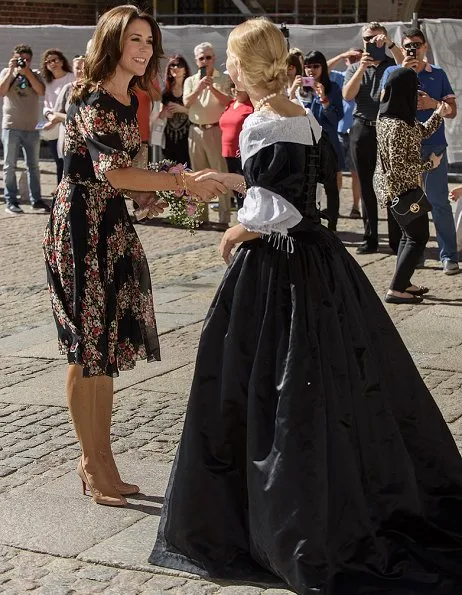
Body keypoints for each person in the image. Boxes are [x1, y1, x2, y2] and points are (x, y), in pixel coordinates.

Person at [149, 18, 462, 595]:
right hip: (319, 260)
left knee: (268, 382)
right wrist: (243, 192)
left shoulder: (265, 121)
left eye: (233, 61)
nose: (231, 70)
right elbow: (307, 191)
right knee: (334, 377)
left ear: (246, 64)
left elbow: (278, 207)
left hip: (279, 265)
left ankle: (275, 513)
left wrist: (235, 232)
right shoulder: (304, 117)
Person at [42, 4, 226, 508]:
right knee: (87, 347)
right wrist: (182, 181)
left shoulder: (132, 99)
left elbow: (127, 176)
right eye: (135, 41)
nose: (145, 51)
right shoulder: (94, 98)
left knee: (104, 352)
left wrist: (156, 195)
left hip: (110, 226)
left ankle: (104, 459)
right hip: (80, 231)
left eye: (149, 41)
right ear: (113, 44)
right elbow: (112, 173)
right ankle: (91, 460)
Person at [380, 28, 459, 276]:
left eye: (417, 44)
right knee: (408, 203)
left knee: (438, 202)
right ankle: (415, 254)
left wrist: (434, 104)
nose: (413, 48)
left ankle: (448, 256)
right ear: (402, 49)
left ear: (425, 47)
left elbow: (452, 110)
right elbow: (383, 106)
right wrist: (404, 73)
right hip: (405, 150)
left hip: (433, 145)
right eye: (408, 45)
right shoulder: (393, 73)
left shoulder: (438, 74)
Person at [374, 68, 449, 304]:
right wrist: (430, 164)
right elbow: (400, 169)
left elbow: (422, 131)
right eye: (414, 92)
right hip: (400, 190)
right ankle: (396, 289)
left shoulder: (389, 117)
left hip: (398, 188)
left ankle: (402, 282)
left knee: (410, 236)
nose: (418, 96)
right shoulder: (397, 126)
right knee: (418, 237)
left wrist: (438, 112)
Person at [343, 22, 403, 254]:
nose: (372, 42)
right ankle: (370, 239)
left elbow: (404, 67)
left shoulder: (391, 64)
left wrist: (389, 44)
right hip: (362, 128)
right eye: (368, 38)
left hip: (387, 128)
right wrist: (361, 67)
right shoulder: (356, 67)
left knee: (389, 184)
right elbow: (347, 95)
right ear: (362, 41)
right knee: (366, 184)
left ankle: (396, 241)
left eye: (376, 38)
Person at [183, 42, 232, 229]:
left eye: (208, 57)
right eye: (201, 58)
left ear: (214, 59)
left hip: (216, 130)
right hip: (195, 130)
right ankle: (201, 216)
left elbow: (229, 101)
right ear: (196, 61)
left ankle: (224, 217)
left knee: (219, 174)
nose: (205, 61)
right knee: (197, 176)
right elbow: (186, 103)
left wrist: (212, 88)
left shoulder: (223, 79)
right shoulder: (190, 81)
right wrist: (199, 88)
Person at [0, 44, 48, 215]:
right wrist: (12, 70)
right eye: (20, 58)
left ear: (31, 60)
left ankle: (36, 200)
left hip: (32, 128)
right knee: (9, 165)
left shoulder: (34, 74)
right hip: (11, 126)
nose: (23, 62)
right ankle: (11, 201)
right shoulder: (6, 72)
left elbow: (41, 91)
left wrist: (27, 72)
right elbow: (1, 91)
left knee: (33, 166)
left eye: (26, 59)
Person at [301, 50, 344, 231]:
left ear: (323, 67)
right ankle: (310, 221)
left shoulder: (332, 87)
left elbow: (336, 118)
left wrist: (324, 99)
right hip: (305, 142)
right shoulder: (301, 89)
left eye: (316, 66)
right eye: (308, 66)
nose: (311, 70)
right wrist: (293, 91)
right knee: (307, 185)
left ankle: (332, 224)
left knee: (331, 186)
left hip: (327, 143)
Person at [328, 48, 363, 219]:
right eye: (351, 58)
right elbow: (322, 70)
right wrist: (342, 55)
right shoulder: (341, 77)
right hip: (341, 130)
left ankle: (356, 207)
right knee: (336, 171)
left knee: (357, 172)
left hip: (359, 130)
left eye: (358, 57)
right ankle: (334, 206)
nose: (353, 60)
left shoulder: (366, 75)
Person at [40, 48, 75, 185]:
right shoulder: (49, 82)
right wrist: (50, 117)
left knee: (69, 163)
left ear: (61, 61)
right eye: (48, 62)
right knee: (59, 163)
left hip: (68, 125)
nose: (51, 64)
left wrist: (57, 118)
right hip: (54, 127)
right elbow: (46, 105)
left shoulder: (72, 78)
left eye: (54, 60)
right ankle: (60, 194)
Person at [218, 84, 253, 209]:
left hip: (242, 153)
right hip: (227, 153)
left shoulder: (251, 106)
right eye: (233, 87)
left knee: (243, 187)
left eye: (239, 87)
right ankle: (240, 216)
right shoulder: (231, 104)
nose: (235, 90)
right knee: (234, 188)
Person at [51, 55, 85, 160]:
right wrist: (73, 119)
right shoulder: (68, 88)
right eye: (77, 68)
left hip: (87, 142)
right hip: (69, 138)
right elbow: (56, 112)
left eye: (84, 68)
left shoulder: (95, 89)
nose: (81, 71)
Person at [161, 54, 191, 166]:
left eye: (179, 65)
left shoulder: (190, 90)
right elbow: (158, 115)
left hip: (188, 139)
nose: (175, 68)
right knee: (170, 171)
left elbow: (198, 113)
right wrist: (163, 114)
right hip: (169, 140)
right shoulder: (165, 93)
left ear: (185, 70)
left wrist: (182, 109)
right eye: (172, 65)